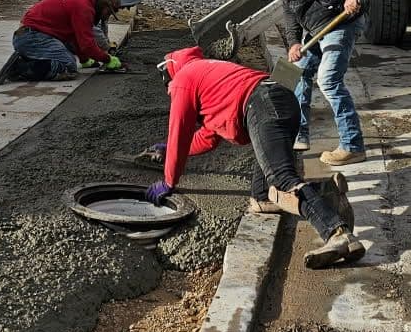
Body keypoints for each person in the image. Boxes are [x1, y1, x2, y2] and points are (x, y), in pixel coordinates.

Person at [144, 46, 365, 268]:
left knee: (284, 180)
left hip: (262, 106)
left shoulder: (183, 79)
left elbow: (179, 132)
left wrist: (169, 181)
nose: (170, 93)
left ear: (170, 74)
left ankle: (337, 233)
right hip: (280, 99)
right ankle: (326, 192)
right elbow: (208, 137)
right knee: (261, 199)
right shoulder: (207, 73)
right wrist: (168, 148)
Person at [251, 0, 366, 165]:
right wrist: (293, 42)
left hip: (340, 23)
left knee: (328, 80)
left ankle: (352, 145)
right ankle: (298, 134)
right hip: (316, 29)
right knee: (291, 74)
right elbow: (289, 8)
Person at [0, 0, 122, 83]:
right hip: (32, 37)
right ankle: (19, 68)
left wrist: (84, 59)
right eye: (108, 12)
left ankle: (28, 58)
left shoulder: (81, 1)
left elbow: (75, 38)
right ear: (103, 4)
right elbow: (87, 44)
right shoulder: (84, 8)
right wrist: (107, 59)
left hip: (31, 35)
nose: (107, 16)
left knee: (69, 52)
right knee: (68, 66)